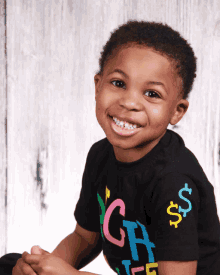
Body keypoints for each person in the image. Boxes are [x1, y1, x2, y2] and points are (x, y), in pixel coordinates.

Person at [2, 20, 220, 275]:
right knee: (10, 264)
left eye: (152, 94)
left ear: (177, 111)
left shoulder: (173, 182)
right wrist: (42, 268)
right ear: (97, 85)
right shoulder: (100, 156)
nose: (129, 102)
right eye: (118, 83)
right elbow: (85, 238)